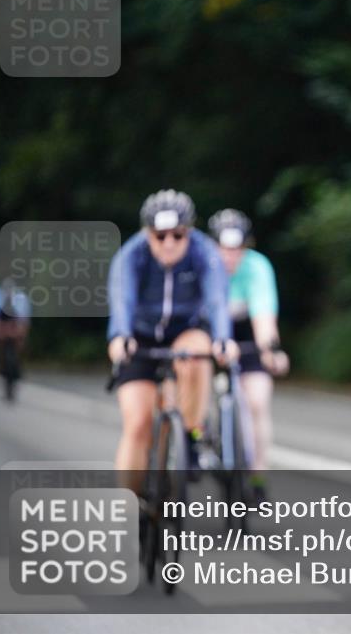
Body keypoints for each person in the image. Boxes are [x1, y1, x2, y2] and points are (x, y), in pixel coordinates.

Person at [107, 190, 236, 491]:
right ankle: (129, 505)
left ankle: (191, 437)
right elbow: (121, 300)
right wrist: (120, 336)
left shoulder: (204, 252)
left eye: (178, 235)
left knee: (198, 352)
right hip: (140, 335)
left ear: (188, 231)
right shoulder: (131, 255)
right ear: (147, 233)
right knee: (137, 424)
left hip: (184, 330)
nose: (169, 243)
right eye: (160, 235)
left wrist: (223, 339)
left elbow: (217, 299)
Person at [208, 208, 289, 501]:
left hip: (246, 336)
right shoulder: (203, 265)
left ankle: (256, 474)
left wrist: (271, 351)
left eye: (237, 249)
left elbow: (264, 317)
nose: (230, 256)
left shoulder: (257, 267)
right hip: (207, 334)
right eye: (224, 249)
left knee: (257, 401)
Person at [0, 277, 32, 402]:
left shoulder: (21, 300)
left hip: (15, 329)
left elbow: (24, 323)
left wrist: (18, 336)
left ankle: (17, 369)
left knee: (19, 347)